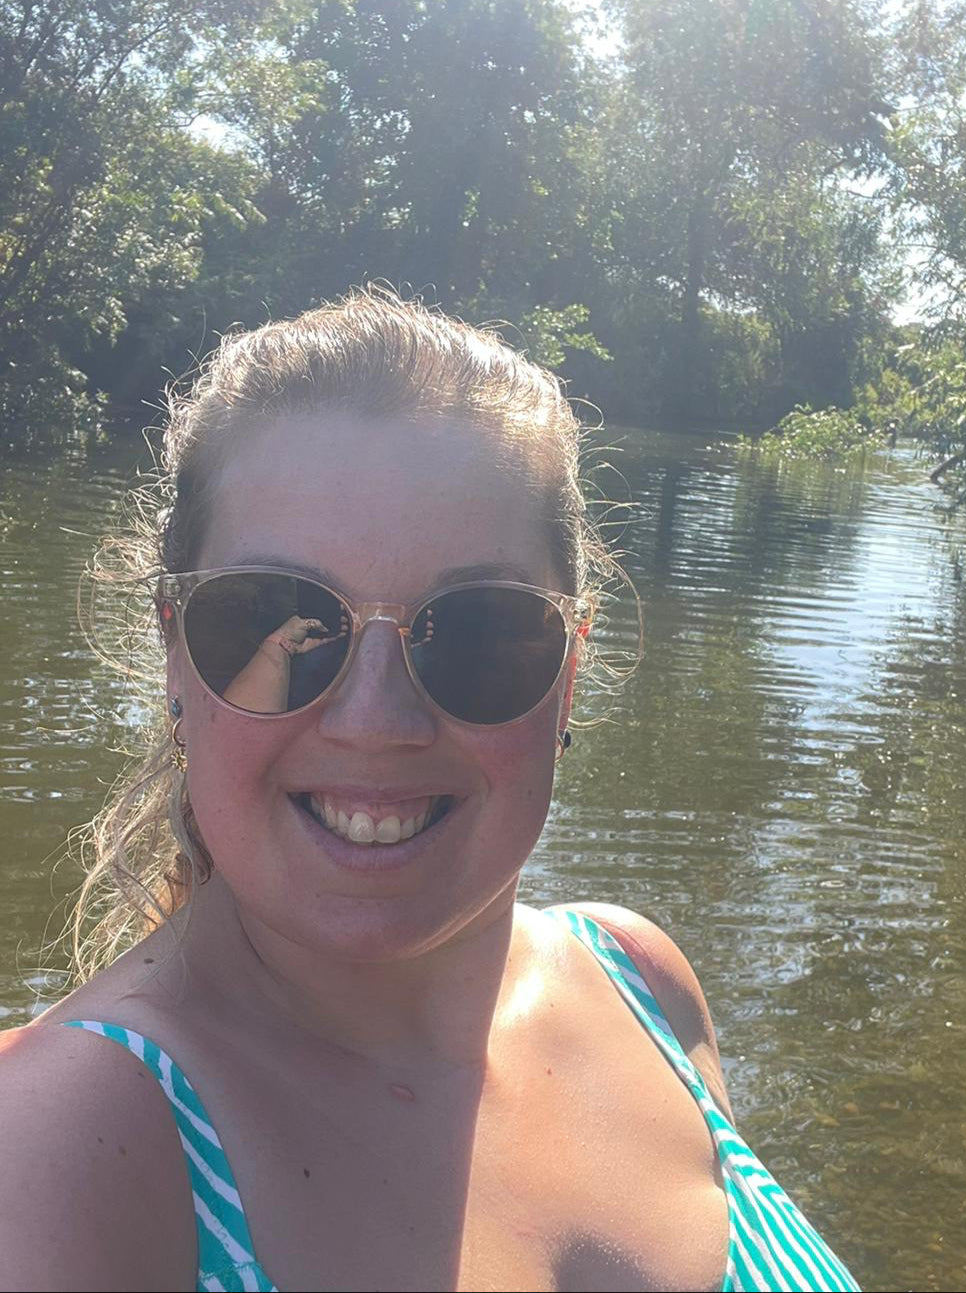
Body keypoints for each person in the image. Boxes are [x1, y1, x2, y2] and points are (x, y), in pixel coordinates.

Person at [0, 289, 859, 1293]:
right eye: (278, 621)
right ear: (174, 655)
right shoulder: (59, 1148)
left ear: (569, 668)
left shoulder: (640, 981)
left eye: (483, 630)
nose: (376, 721)